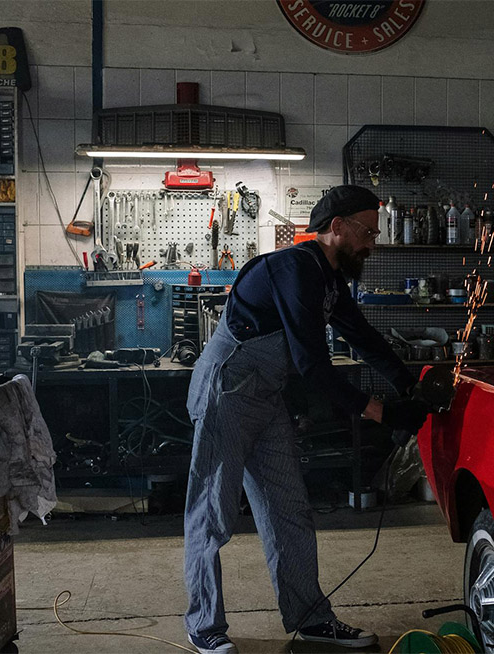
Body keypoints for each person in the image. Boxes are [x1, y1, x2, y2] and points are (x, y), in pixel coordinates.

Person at [182, 185, 429, 654]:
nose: (372, 243)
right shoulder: (295, 268)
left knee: (288, 509)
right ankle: (204, 626)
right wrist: (379, 411)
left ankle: (311, 618)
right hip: (227, 392)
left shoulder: (331, 279)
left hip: (265, 395)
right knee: (212, 514)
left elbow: (361, 335)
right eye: (367, 232)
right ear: (336, 228)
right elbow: (312, 362)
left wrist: (409, 383)